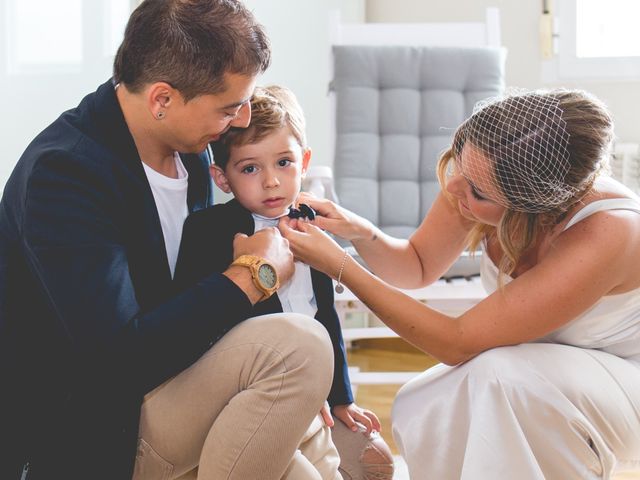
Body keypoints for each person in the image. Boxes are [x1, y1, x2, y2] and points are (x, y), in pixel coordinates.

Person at [0, 1, 342, 479]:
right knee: (299, 346)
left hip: (179, 386)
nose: (242, 119)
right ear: (162, 99)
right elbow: (116, 362)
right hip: (99, 429)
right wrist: (251, 276)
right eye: (229, 107)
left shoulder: (195, 156)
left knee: (320, 469)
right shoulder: (63, 175)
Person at [280, 89, 640, 479]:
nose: (454, 190)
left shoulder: (609, 232)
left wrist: (340, 264)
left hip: (626, 379)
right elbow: (417, 266)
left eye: (477, 191)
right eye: (458, 166)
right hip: (543, 371)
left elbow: (456, 342)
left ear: (533, 204)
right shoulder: (482, 176)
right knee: (422, 402)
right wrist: (361, 232)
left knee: (499, 378)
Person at [174, 84, 394, 480]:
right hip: (248, 392)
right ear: (222, 179)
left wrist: (339, 396)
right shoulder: (208, 230)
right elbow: (203, 324)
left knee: (352, 465)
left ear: (304, 161)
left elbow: (326, 317)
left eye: (284, 163)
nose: (272, 181)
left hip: (311, 386)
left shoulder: (312, 228)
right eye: (251, 168)